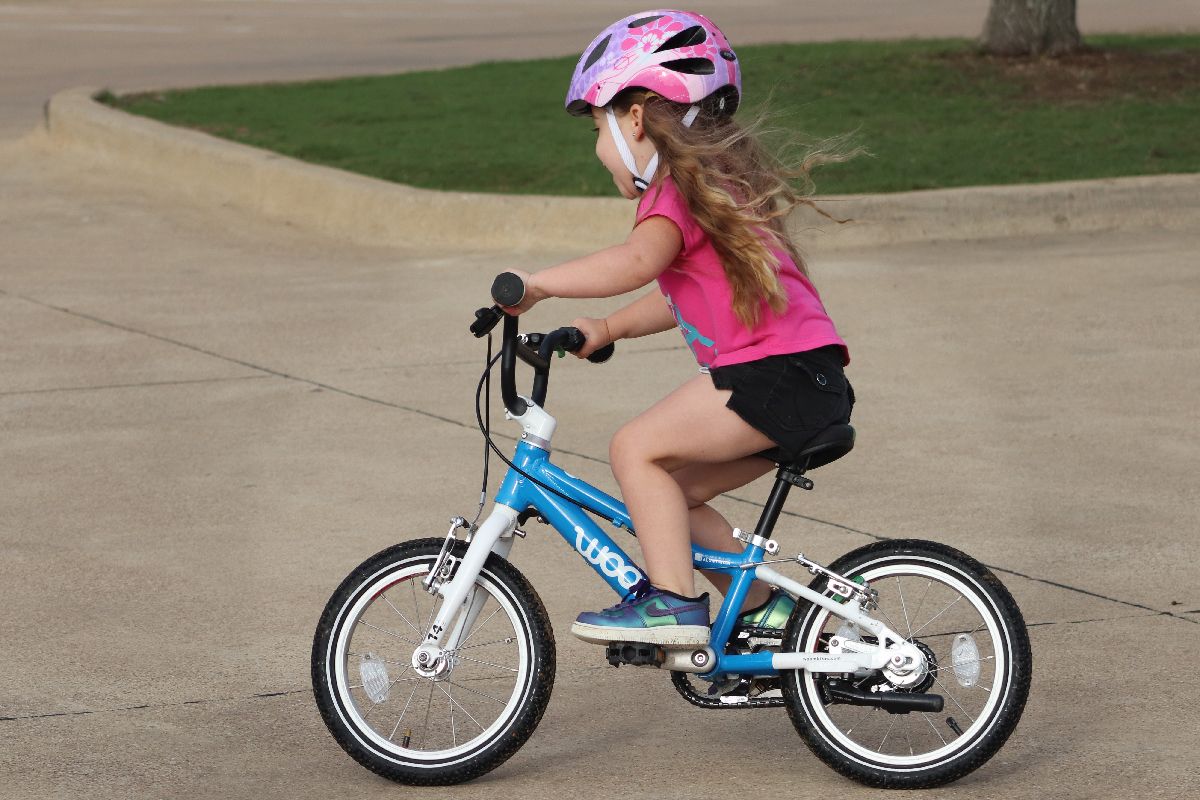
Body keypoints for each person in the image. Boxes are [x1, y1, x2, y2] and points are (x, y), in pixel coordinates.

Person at [500, 10, 853, 647]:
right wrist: (608, 328)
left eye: (598, 129)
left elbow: (638, 261)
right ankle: (767, 614)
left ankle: (672, 606)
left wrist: (539, 284)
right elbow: (679, 296)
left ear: (634, 119)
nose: (598, 149)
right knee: (673, 497)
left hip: (771, 377)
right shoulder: (717, 191)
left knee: (634, 450)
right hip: (805, 382)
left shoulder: (675, 194)